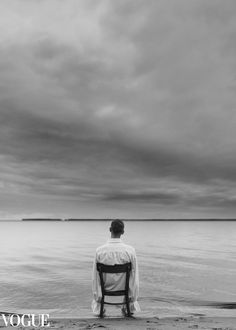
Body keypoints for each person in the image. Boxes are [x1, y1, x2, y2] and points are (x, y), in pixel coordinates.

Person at [91, 219, 140, 316]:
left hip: (105, 288)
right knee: (133, 275)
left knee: (96, 275)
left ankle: (100, 309)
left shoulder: (99, 251)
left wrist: (98, 297)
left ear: (110, 229)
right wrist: (132, 297)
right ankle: (128, 308)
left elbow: (95, 278)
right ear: (123, 232)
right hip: (124, 288)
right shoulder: (130, 251)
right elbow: (134, 276)